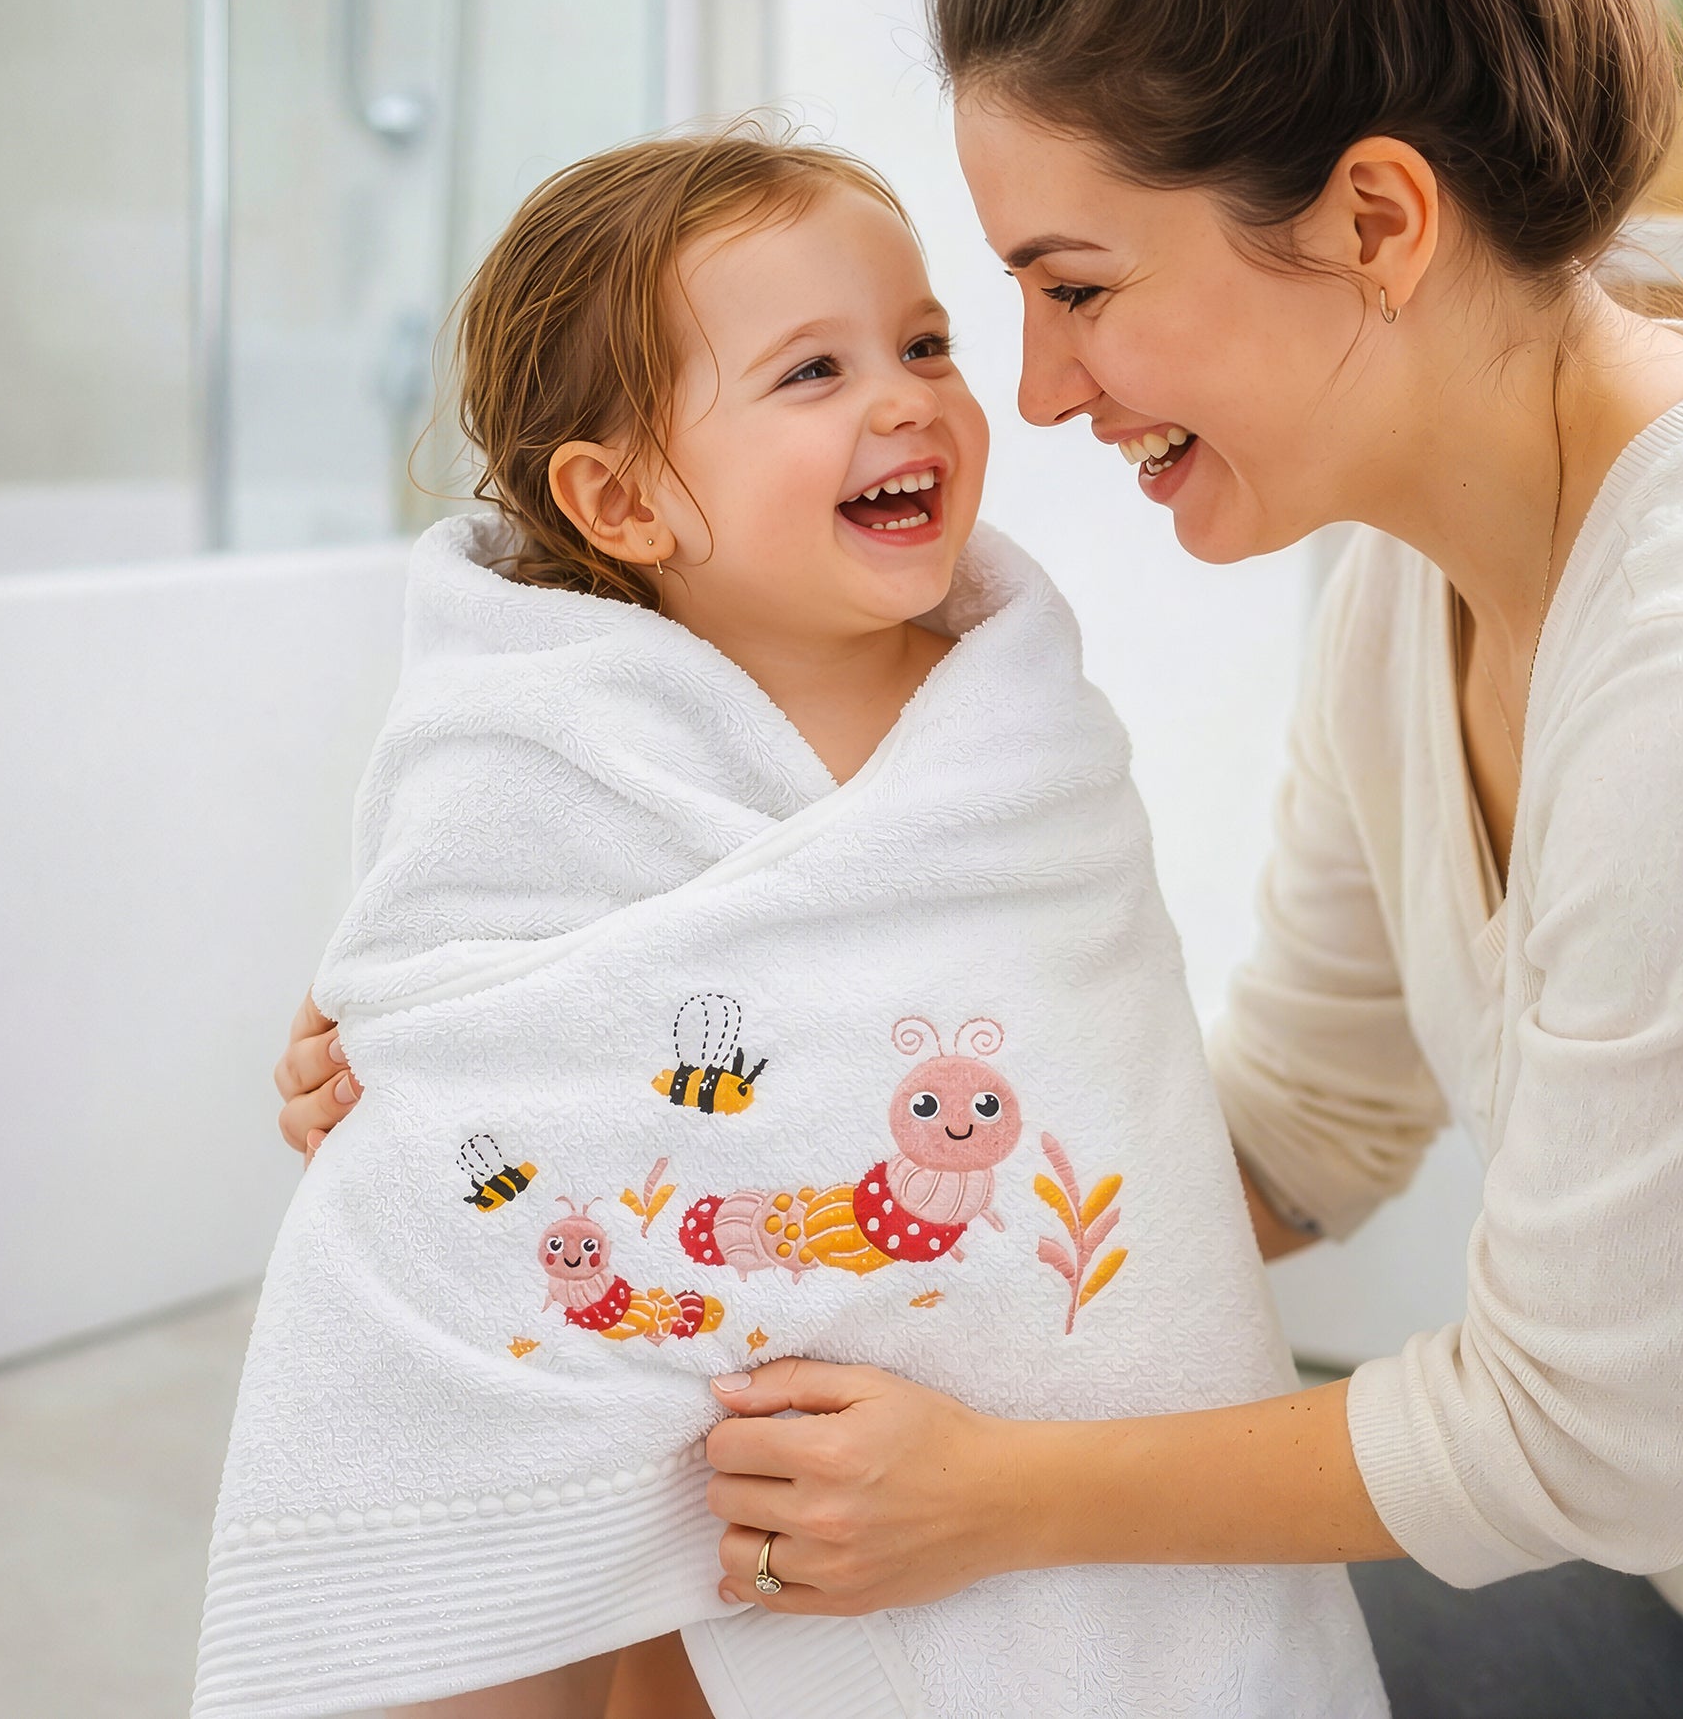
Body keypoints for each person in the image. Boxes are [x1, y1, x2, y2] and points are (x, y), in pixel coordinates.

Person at [282, 0, 1683, 1712]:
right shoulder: (1415, 581)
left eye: (1072, 289)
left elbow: (1582, 1438)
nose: (1031, 388)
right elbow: (1301, 1123)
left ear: (1373, 219)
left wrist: (1007, 1494)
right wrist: (555, 1121)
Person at [214, 124, 1385, 1719]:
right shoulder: (539, 744)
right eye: (810, 373)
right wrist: (412, 1082)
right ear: (622, 498)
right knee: (571, 1591)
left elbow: (1096, 1064)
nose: (906, 396)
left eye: (920, 344)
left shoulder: (1019, 741)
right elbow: (467, 1022)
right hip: (658, 1387)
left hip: (956, 1438)